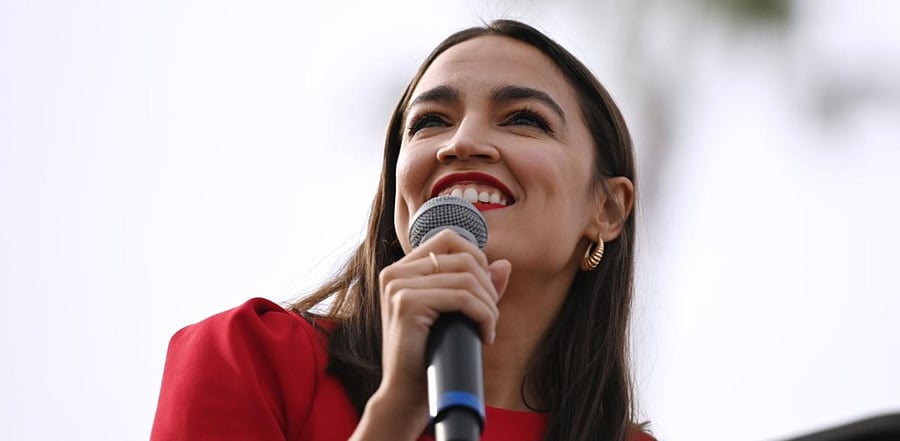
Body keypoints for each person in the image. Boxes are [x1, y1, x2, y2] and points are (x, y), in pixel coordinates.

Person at [151, 19, 652, 441]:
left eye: (524, 118)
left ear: (607, 208)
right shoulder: (253, 357)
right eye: (429, 121)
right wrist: (393, 415)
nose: (463, 141)